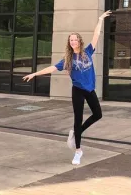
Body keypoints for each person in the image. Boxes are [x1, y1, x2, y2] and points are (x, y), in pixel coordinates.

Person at [23, 10, 112, 165]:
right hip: (77, 90)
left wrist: (100, 19)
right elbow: (51, 68)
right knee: (78, 119)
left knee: (98, 114)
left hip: (90, 89)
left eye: (75, 40)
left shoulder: (88, 52)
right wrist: (35, 74)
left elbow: (96, 35)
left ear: (79, 41)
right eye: (71, 40)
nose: (73, 42)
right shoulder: (68, 59)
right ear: (69, 43)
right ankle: (78, 151)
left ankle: (76, 133)